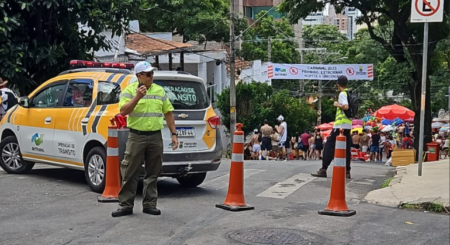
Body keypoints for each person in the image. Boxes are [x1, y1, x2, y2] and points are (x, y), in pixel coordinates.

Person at [112, 61, 178, 218]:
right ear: (139, 76)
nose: (151, 77)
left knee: (153, 172)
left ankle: (150, 204)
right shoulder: (129, 90)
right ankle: (125, 205)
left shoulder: (159, 91)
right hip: (136, 136)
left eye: (152, 73)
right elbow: (123, 111)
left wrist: (174, 134)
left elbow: (168, 113)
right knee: (130, 172)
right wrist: (137, 97)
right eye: (148, 74)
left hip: (155, 136)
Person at [312, 75, 352, 179]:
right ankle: (347, 171)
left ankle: (323, 169)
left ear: (338, 84)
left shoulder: (342, 94)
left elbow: (346, 106)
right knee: (346, 148)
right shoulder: (350, 93)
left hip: (340, 126)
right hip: (347, 125)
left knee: (329, 146)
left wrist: (337, 104)